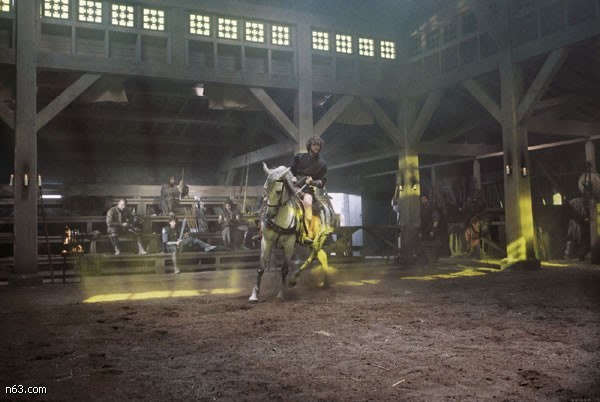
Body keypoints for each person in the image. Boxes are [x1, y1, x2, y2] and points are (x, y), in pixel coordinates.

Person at [290, 136, 328, 242]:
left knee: (308, 202)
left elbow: (321, 182)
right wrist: (292, 176)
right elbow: (290, 170)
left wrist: (312, 182)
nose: (316, 147)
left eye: (318, 145)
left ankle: (306, 233)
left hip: (306, 190)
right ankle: (263, 229)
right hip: (292, 186)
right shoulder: (298, 157)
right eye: (314, 144)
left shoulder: (322, 164)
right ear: (309, 146)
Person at [419, 194, 447, 265]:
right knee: (424, 245)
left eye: (424, 199)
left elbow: (436, 219)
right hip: (428, 230)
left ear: (427, 199)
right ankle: (431, 261)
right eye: (421, 199)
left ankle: (432, 261)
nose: (423, 201)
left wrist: (433, 230)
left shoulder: (432, 206)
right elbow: (423, 221)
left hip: (435, 229)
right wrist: (421, 231)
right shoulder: (423, 208)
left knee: (435, 245)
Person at [564, 195, 591, 260]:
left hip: (577, 223)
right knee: (580, 240)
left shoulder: (571, 203)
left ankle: (571, 255)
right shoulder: (583, 201)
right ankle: (577, 255)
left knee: (574, 239)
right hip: (579, 223)